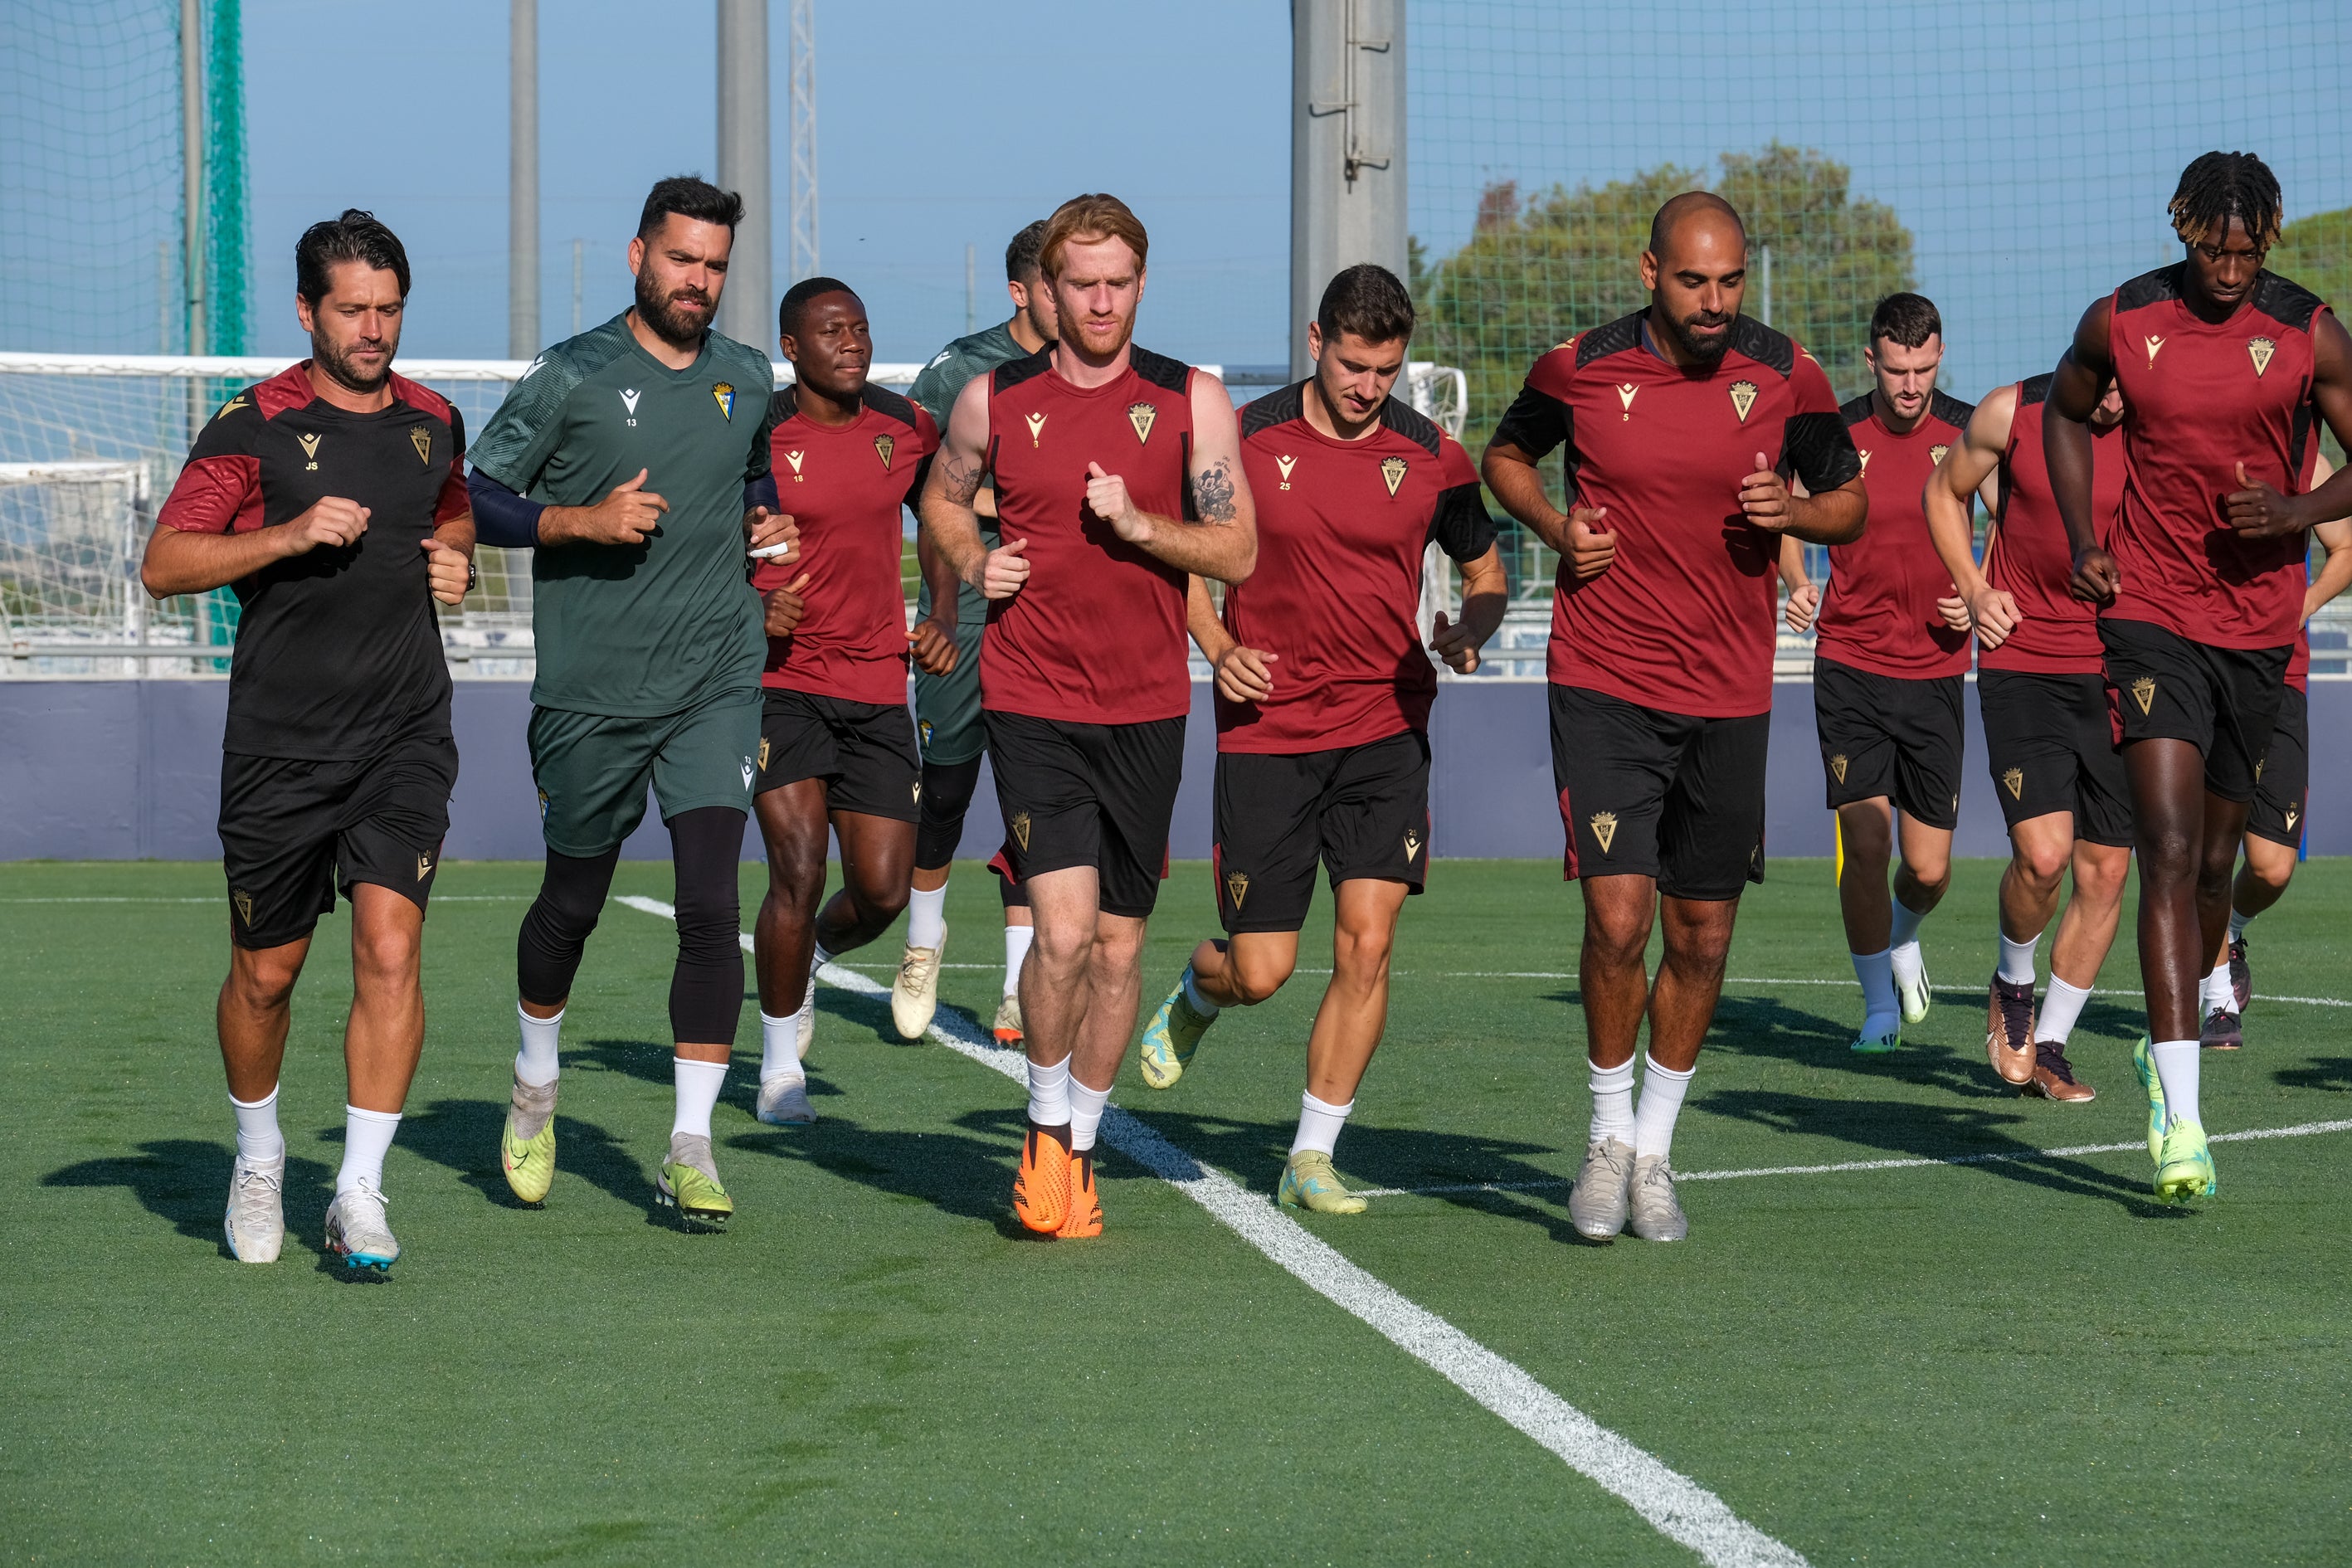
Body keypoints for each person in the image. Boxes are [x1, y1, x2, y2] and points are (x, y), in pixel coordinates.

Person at [1483, 192, 1865, 1242]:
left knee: (1701, 935)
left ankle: (1655, 1151)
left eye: (1731, 282)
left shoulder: (1790, 374)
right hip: (1605, 677)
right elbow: (1504, 458)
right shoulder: (1581, 366)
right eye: (1694, 281)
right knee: (1619, 918)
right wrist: (1559, 528)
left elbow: (1851, 502)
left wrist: (1794, 512)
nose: (1715, 302)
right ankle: (1605, 1142)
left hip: (1732, 694)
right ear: (1649, 272)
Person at [918, 192, 1256, 1239]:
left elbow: (1237, 550)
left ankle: (1084, 1143)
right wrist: (977, 557)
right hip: (1033, 701)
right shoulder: (991, 399)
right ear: (1046, 293)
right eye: (1081, 284)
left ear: (1141, 286)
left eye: (1118, 283)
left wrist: (1141, 523)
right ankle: (1041, 1128)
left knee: (1117, 949)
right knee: (1059, 936)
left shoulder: (1194, 399)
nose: (1100, 301)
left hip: (1147, 708)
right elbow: (938, 497)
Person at [141, 210, 475, 1270]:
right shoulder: (251, 426)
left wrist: (456, 557)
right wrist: (286, 534)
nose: (374, 329)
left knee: (391, 948)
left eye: (389, 309)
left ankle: (359, 1193)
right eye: (352, 309)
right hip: (281, 746)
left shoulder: (435, 419)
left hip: (406, 733)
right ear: (306, 312)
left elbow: (452, 512)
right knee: (267, 976)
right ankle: (258, 1157)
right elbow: (163, 564)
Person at [1133, 264, 1506, 1213]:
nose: (1367, 386)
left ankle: (1309, 1153)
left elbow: (1486, 572)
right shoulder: (1244, 438)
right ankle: (1202, 988)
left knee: (1368, 946)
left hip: (1386, 731)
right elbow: (1177, 555)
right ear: (1314, 341)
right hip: (1269, 732)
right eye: (1351, 364)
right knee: (1263, 970)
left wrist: (1472, 628)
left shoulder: (1434, 456)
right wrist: (1217, 644)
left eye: (1385, 369)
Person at [466, 176, 794, 1230]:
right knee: (573, 905)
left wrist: (770, 529)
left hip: (717, 680)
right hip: (593, 692)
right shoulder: (572, 376)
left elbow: (754, 484)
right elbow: (472, 497)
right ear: (638, 256)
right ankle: (533, 1088)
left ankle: (690, 1144)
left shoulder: (748, 377)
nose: (698, 282)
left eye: (715, 267)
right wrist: (576, 522)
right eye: (681, 260)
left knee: (710, 906)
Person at [2045, 150, 2352, 1203]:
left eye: (2248, 250)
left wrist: (2303, 515)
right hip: (2147, 621)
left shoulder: (2310, 330)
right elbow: (2063, 411)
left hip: (2258, 633)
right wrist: (2087, 535)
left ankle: (2163, 1043)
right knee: (2166, 851)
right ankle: (2182, 1121)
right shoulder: (2123, 321)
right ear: (2181, 229)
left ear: (2269, 239)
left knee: (2221, 867)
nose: (2230, 269)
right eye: (2213, 249)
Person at [745, 277, 943, 1125]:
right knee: (796, 870)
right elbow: (708, 534)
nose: (852, 343)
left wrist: (941, 609)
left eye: (859, 328)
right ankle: (780, 1064)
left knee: (885, 893)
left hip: (875, 686)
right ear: (793, 349)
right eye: (831, 333)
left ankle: (816, 952)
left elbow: (941, 512)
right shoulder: (757, 430)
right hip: (780, 685)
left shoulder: (905, 428)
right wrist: (752, 602)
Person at [1926, 373, 2133, 1100]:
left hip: (2125, 668)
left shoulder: (2158, 423)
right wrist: (1976, 589)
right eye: (2102, 384)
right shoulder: (2014, 412)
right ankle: (2013, 983)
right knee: (2043, 857)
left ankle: (2050, 1045)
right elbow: (1941, 492)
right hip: (2025, 661)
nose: (2115, 399)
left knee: (2105, 870)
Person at [1782, 295, 1975, 1052]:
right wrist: (1796, 579)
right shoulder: (1835, 433)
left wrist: (1981, 587)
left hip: (1934, 669)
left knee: (1926, 871)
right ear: (1871, 361)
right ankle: (1876, 1011)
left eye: (1924, 368)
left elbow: (2013, 526)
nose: (1910, 385)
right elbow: (1785, 509)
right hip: (1850, 665)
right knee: (1865, 842)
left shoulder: (1966, 432)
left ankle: (1904, 941)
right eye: (1896, 370)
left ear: (1938, 357)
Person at [895, 220, 1057, 1046]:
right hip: (963, 606)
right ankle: (923, 945)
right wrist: (937, 602)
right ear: (1022, 290)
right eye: (1061, 282)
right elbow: (922, 490)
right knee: (948, 786)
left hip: (1055, 612)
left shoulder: (1102, 375)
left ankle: (1017, 988)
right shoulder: (960, 370)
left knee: (1038, 797)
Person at [2200, 454, 2346, 1048]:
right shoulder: (2187, 431)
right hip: (2198, 674)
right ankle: (2215, 1004)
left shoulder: (2306, 454)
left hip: (2279, 678)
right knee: (2205, 853)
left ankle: (2231, 927)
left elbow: (2345, 547)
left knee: (2270, 866)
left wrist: (2304, 605)